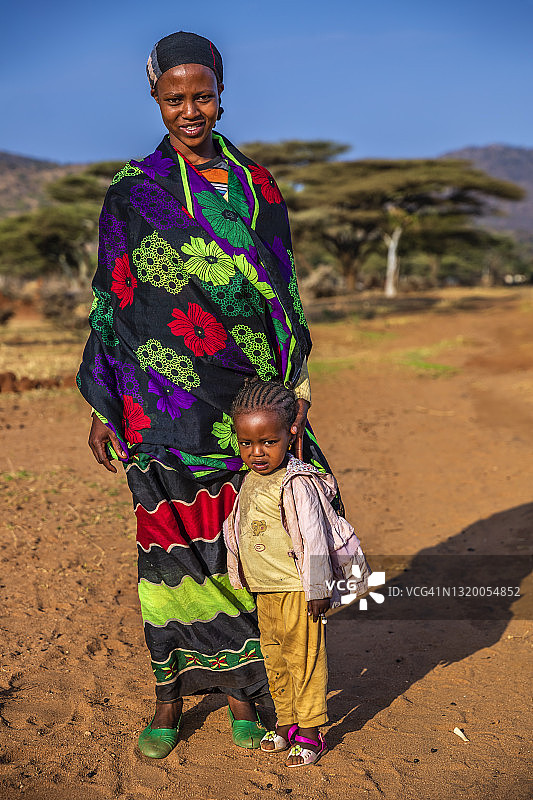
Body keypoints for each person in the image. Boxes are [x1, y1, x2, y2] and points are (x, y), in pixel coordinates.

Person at [77, 30, 335, 759]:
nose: (190, 111)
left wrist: (296, 388)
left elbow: (283, 292)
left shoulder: (259, 189)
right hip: (157, 406)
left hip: (247, 407)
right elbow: (112, 300)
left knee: (240, 557)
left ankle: (243, 694)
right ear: (154, 99)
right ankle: (168, 698)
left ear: (221, 94)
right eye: (174, 98)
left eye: (202, 96)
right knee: (167, 560)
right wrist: (103, 400)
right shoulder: (134, 192)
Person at [224, 378, 370, 767]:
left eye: (268, 442)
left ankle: (310, 731)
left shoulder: (297, 482)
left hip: (298, 591)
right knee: (275, 657)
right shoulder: (250, 479)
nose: (256, 453)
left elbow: (316, 538)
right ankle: (285, 722)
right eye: (247, 443)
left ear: (290, 434)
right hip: (266, 592)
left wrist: (319, 587)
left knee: (304, 659)